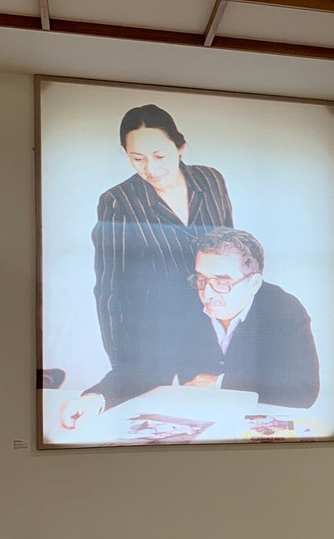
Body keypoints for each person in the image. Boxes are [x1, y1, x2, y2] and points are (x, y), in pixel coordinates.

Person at [60, 229, 319, 426]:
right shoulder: (181, 306)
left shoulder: (284, 310)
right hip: (195, 429)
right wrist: (95, 399)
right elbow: (143, 369)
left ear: (253, 283)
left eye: (222, 281)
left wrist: (219, 383)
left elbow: (303, 389)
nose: (207, 292)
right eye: (201, 278)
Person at [92, 104, 234, 375]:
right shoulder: (118, 202)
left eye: (159, 155)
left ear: (180, 147)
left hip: (212, 329)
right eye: (137, 158)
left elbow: (232, 256)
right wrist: (122, 364)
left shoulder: (211, 180)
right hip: (151, 338)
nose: (150, 168)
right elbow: (111, 289)